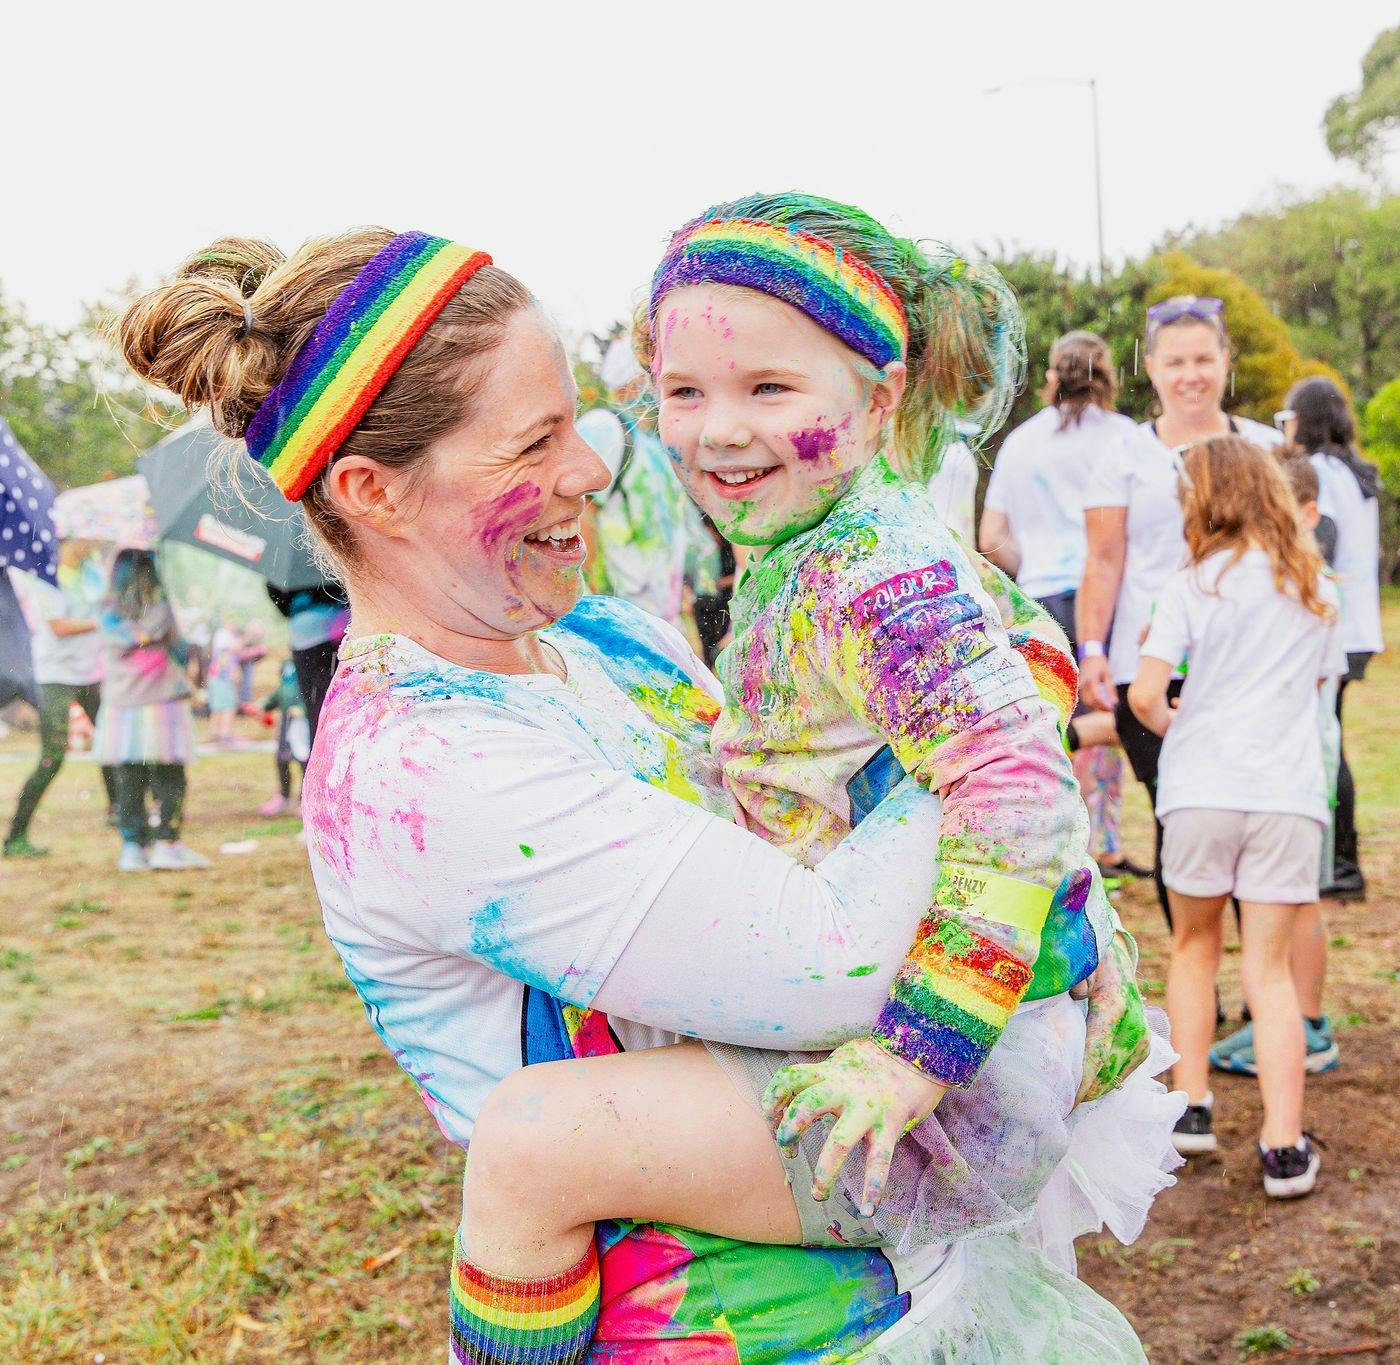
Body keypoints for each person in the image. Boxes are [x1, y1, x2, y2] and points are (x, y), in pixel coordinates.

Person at [114, 227, 1166, 1363]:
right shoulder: (420, 772)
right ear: (372, 492)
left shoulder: (608, 639)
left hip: (902, 1256)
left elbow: (823, 818)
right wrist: (1002, 697)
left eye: (578, 418)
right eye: (534, 442)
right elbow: (841, 963)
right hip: (749, 1331)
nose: (594, 467)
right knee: (531, 1146)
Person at [1126, 435, 1342, 1198]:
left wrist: (1186, 727)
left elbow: (1146, 695)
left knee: (1193, 947)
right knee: (1270, 970)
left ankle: (1190, 1106)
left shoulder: (1191, 583)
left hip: (1201, 791)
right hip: (1286, 795)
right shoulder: (1315, 584)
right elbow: (1317, 687)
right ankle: (1283, 1144)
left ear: (1205, 498)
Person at [1077, 296, 1280, 925]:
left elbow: (1289, 554)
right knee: (1177, 811)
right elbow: (1105, 558)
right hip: (1155, 665)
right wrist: (1092, 650)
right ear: (1153, 369)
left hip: (1250, 664)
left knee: (1255, 816)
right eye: (1175, 362)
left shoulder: (1268, 447)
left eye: (1203, 359)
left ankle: (1261, 983)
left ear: (1226, 362)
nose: (1190, 374)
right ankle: (1199, 968)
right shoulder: (1123, 454)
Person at [982, 330, 1140, 876]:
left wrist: (1030, 567)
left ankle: (1059, 844)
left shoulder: (1022, 442)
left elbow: (991, 534)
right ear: (1108, 374)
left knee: (1056, 716)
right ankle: (1106, 842)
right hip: (1109, 588)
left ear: (1054, 374)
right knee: (1107, 714)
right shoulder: (1127, 438)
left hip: (1044, 592)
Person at [1285, 377, 1384, 901]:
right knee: (1332, 736)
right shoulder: (1356, 471)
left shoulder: (1321, 473)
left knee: (1326, 740)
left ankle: (1340, 865)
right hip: (1359, 625)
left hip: (1333, 626)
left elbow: (1318, 547)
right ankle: (1341, 860)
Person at [574, 336, 704, 632]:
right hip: (621, 618)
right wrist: (588, 597)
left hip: (664, 619)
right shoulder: (604, 427)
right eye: (650, 377)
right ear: (628, 385)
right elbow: (581, 509)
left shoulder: (655, 445)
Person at [96, 549, 208, 873]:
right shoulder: (161, 610)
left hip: (122, 704)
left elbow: (117, 643)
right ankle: (167, 843)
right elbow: (180, 649)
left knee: (128, 777)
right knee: (169, 774)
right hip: (162, 701)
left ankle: (133, 846)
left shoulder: (107, 613)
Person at [4, 541, 118, 858]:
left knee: (111, 741)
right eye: (84, 535)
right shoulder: (46, 575)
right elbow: (59, 627)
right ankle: (15, 836)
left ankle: (118, 811)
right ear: (67, 539)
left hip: (91, 670)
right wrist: (103, 623)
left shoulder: (93, 570)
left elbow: (107, 603)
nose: (90, 540)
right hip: (54, 674)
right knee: (53, 756)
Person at [267, 580, 348, 741]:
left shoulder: (287, 565)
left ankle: (316, 754)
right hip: (333, 634)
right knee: (334, 700)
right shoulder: (326, 562)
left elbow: (275, 592)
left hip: (302, 639)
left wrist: (295, 606)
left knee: (315, 704)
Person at [257, 658, 305, 818]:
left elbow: (315, 691)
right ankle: (284, 796)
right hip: (286, 725)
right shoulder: (286, 667)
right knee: (282, 761)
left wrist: (303, 709)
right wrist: (264, 706)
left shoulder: (306, 662)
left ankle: (304, 799)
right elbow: (279, 694)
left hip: (303, 727)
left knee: (304, 761)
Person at [925, 420, 981, 547]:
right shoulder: (967, 458)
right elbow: (966, 517)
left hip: (931, 536)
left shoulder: (935, 452)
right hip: (956, 542)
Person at [205, 617, 244, 746]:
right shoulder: (224, 636)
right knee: (228, 706)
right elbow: (229, 655)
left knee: (218, 707)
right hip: (223, 678)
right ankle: (225, 734)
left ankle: (215, 733)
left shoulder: (220, 636)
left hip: (216, 677)